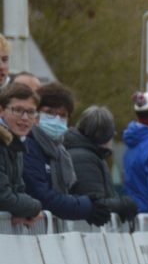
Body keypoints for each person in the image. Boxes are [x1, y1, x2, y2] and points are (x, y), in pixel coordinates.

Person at [22, 82, 102, 224]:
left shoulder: (61, 152)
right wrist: (86, 206)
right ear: (36, 114)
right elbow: (41, 196)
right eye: (50, 113)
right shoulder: (28, 145)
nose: (56, 119)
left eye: (63, 115)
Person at [64, 106, 137, 221]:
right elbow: (95, 204)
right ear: (105, 136)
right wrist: (124, 205)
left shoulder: (89, 154)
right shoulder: (84, 158)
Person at [0, 83, 43, 224]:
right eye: (18, 110)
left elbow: (19, 190)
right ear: (1, 110)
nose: (25, 118)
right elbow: (4, 198)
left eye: (31, 112)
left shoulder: (16, 144)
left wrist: (23, 212)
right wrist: (35, 208)